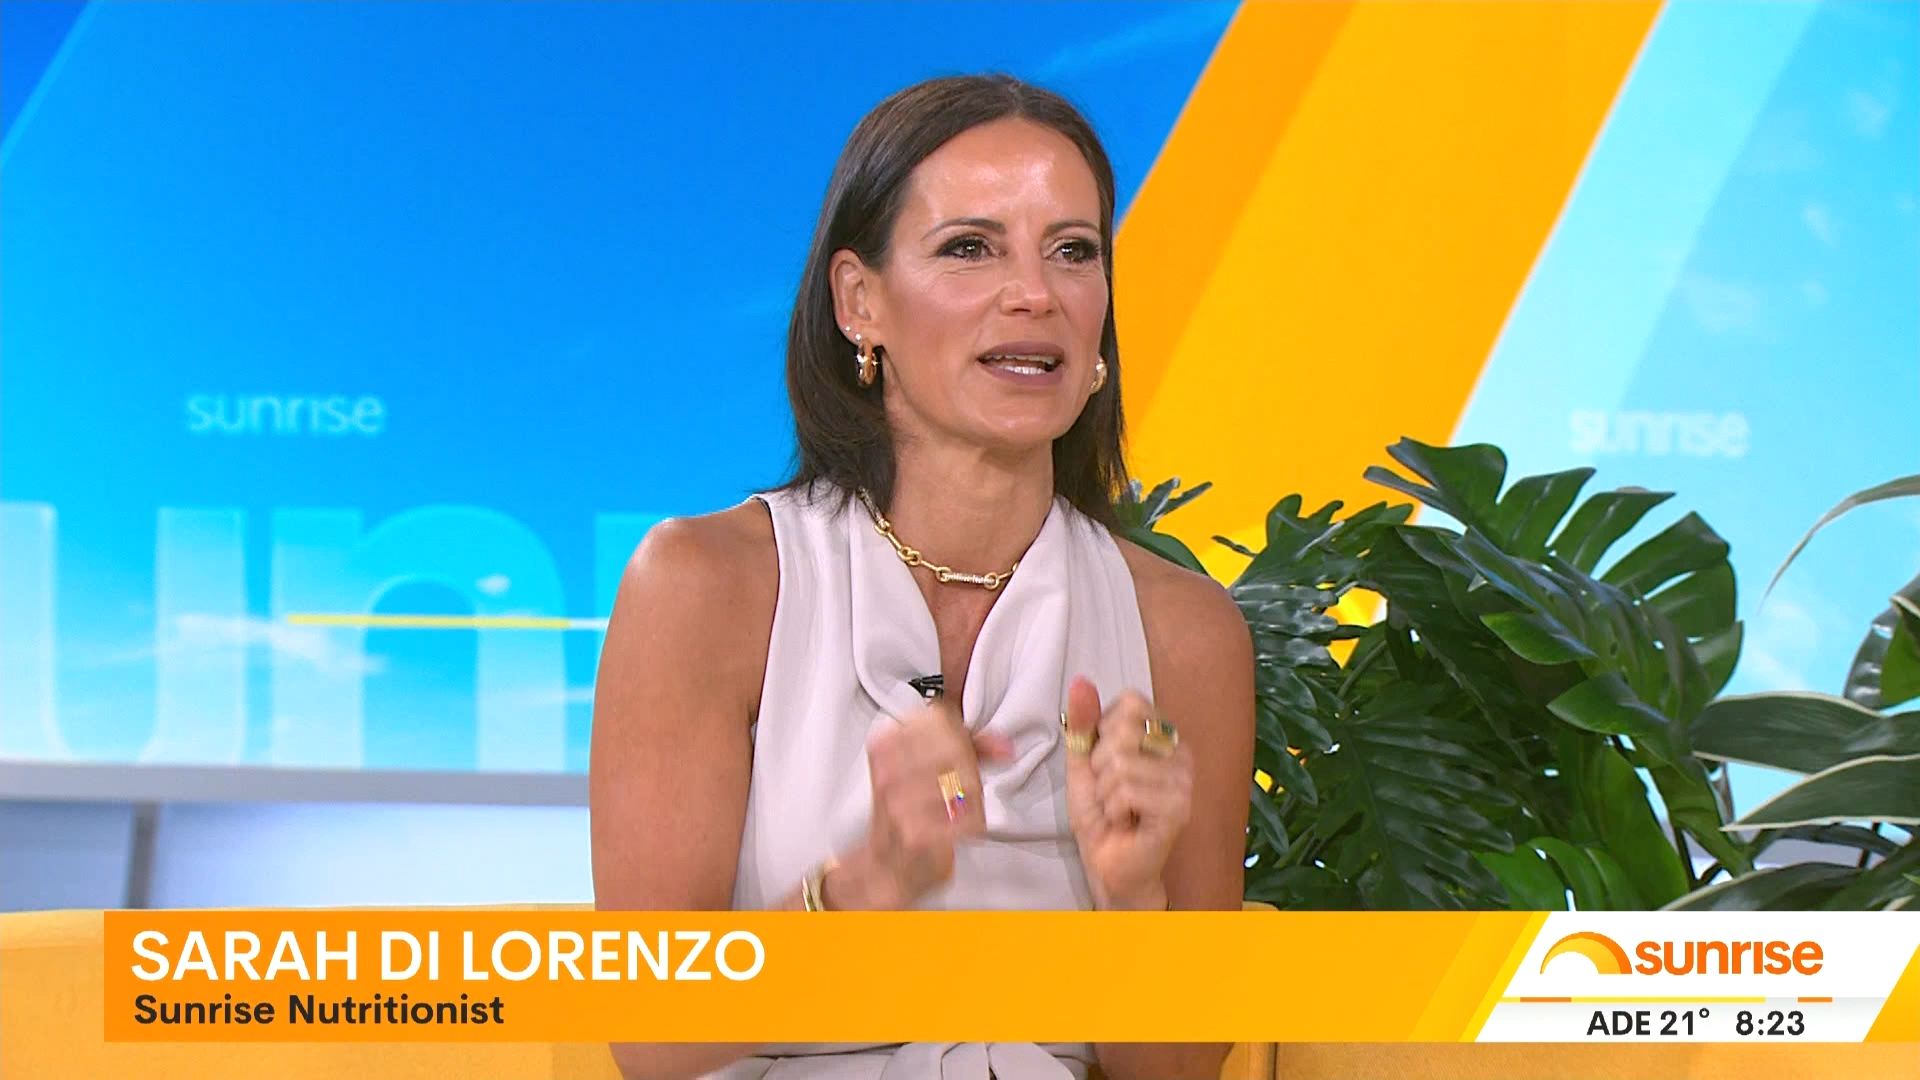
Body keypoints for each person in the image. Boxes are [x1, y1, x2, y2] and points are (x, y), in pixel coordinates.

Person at [590, 73, 1255, 1080]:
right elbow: (651, 1036)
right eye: (970, 248)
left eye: (1073, 251)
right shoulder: (706, 588)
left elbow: (1176, 1070)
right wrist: (869, 886)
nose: (1035, 294)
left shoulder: (1185, 633)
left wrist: (1132, 901)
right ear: (860, 303)